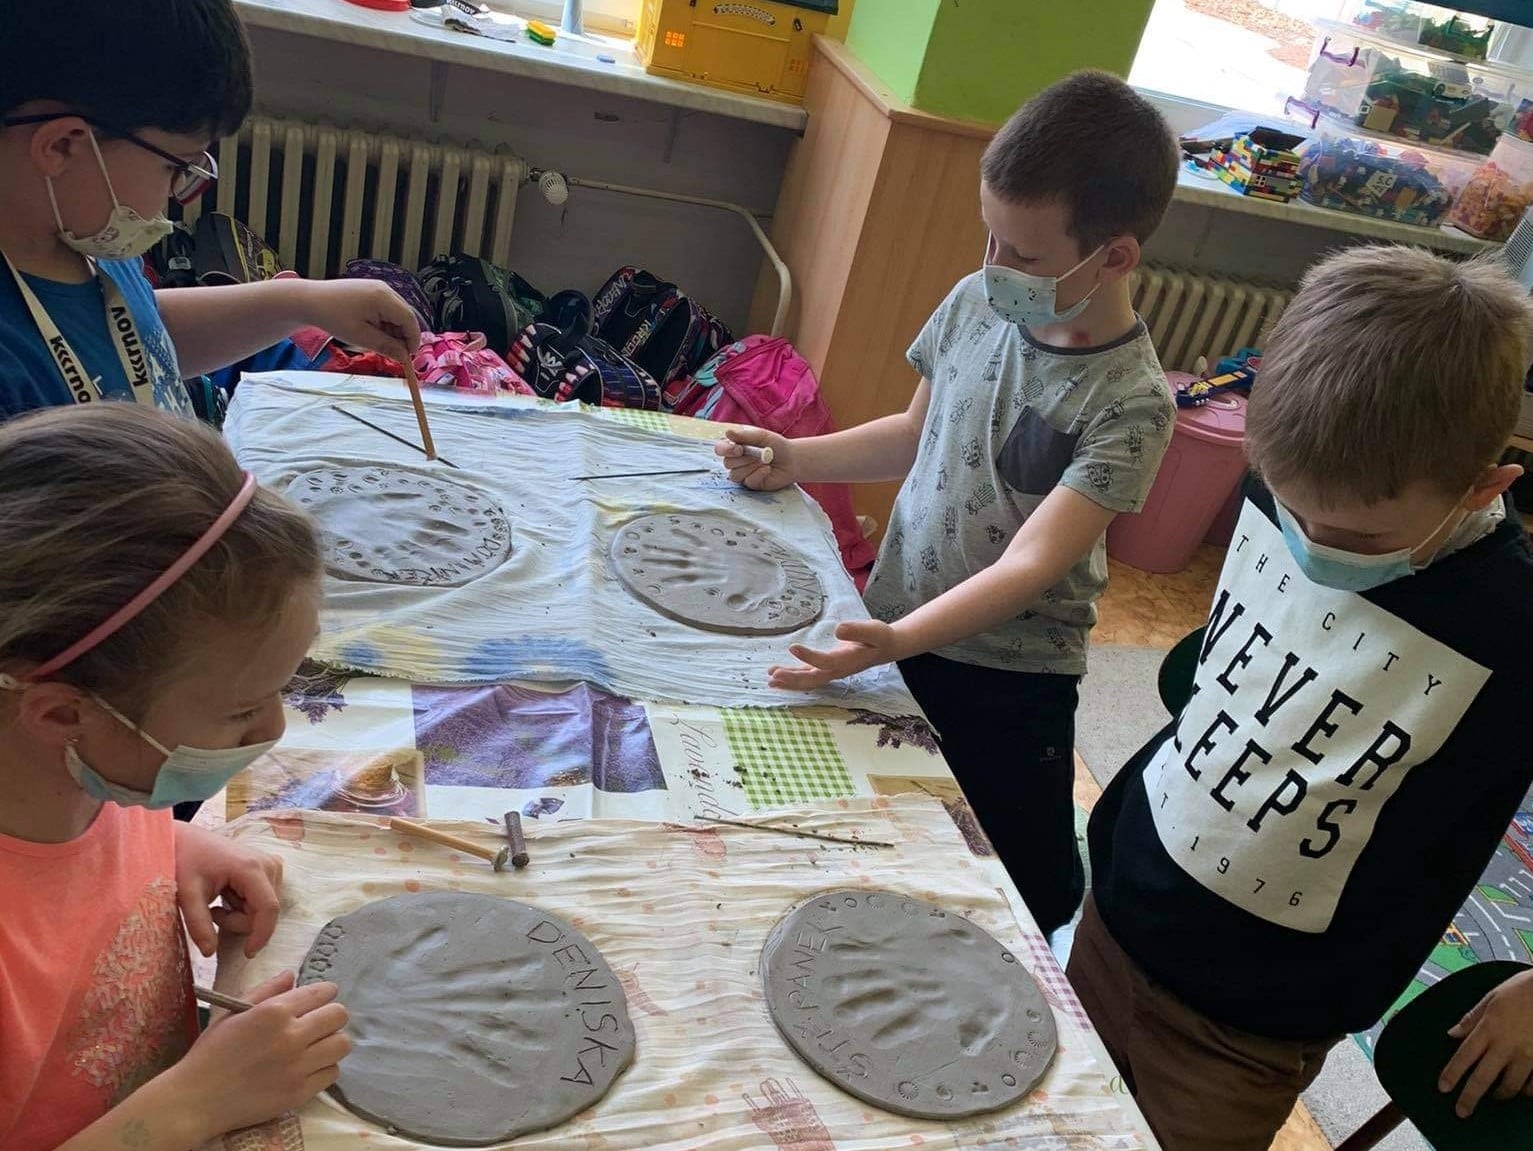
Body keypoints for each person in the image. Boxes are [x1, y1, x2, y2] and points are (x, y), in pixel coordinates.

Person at [1073, 246, 1533, 1151]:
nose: (1310, 543)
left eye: (1355, 536)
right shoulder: (1297, 472)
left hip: (1240, 1034)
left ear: (1485, 485)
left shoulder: (1510, 627)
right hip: (1113, 909)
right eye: (1289, 507)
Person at [716, 71, 1180, 935]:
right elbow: (909, 434)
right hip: (897, 618)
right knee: (878, 823)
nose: (993, 266)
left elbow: (1032, 563)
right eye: (988, 236)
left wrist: (901, 640)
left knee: (1027, 884)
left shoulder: (1131, 402)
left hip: (1009, 677)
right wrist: (797, 457)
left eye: (1024, 256)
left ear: (1114, 257)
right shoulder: (976, 302)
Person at [0, 404, 349, 1150]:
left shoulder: (80, 766)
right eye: (242, 710)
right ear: (61, 713)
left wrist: (173, 845)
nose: (275, 729)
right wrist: (194, 1102)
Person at [0, 0, 420, 420]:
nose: (177, 193)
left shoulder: (82, 239)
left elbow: (142, 337)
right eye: (175, 167)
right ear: (63, 146)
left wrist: (301, 302)